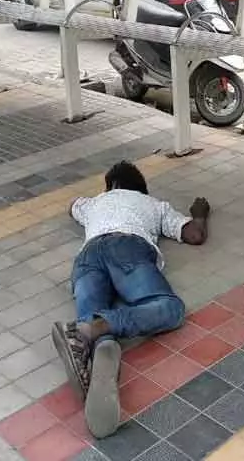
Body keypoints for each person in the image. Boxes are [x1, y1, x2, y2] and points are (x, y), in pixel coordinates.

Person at [52, 161, 210, 438]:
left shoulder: (94, 203)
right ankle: (94, 329)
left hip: (86, 258)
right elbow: (194, 236)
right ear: (141, 187)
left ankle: (96, 340)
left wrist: (97, 202)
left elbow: (72, 205)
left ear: (111, 185)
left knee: (93, 313)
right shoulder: (153, 205)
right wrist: (199, 215)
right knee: (169, 308)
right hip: (127, 249)